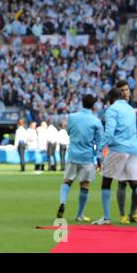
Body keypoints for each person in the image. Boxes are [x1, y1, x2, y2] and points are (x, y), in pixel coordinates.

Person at [93, 88, 137, 225]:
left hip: (118, 148)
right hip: (133, 149)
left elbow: (110, 132)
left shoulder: (112, 109)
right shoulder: (131, 109)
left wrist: (100, 148)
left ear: (111, 99)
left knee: (106, 181)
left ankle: (106, 218)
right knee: (134, 183)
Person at [56, 94, 103, 222]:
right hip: (87, 157)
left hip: (73, 154)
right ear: (93, 106)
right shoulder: (96, 121)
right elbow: (99, 144)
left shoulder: (72, 117)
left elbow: (69, 132)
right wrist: (99, 161)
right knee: (84, 185)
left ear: (82, 103)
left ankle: (63, 201)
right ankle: (79, 214)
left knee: (67, 181)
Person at [114, 80, 137, 224]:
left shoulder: (135, 106)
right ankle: (122, 214)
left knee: (135, 183)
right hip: (121, 149)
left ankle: (133, 213)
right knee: (122, 182)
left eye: (126, 89)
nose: (124, 92)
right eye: (121, 90)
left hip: (134, 150)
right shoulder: (115, 109)